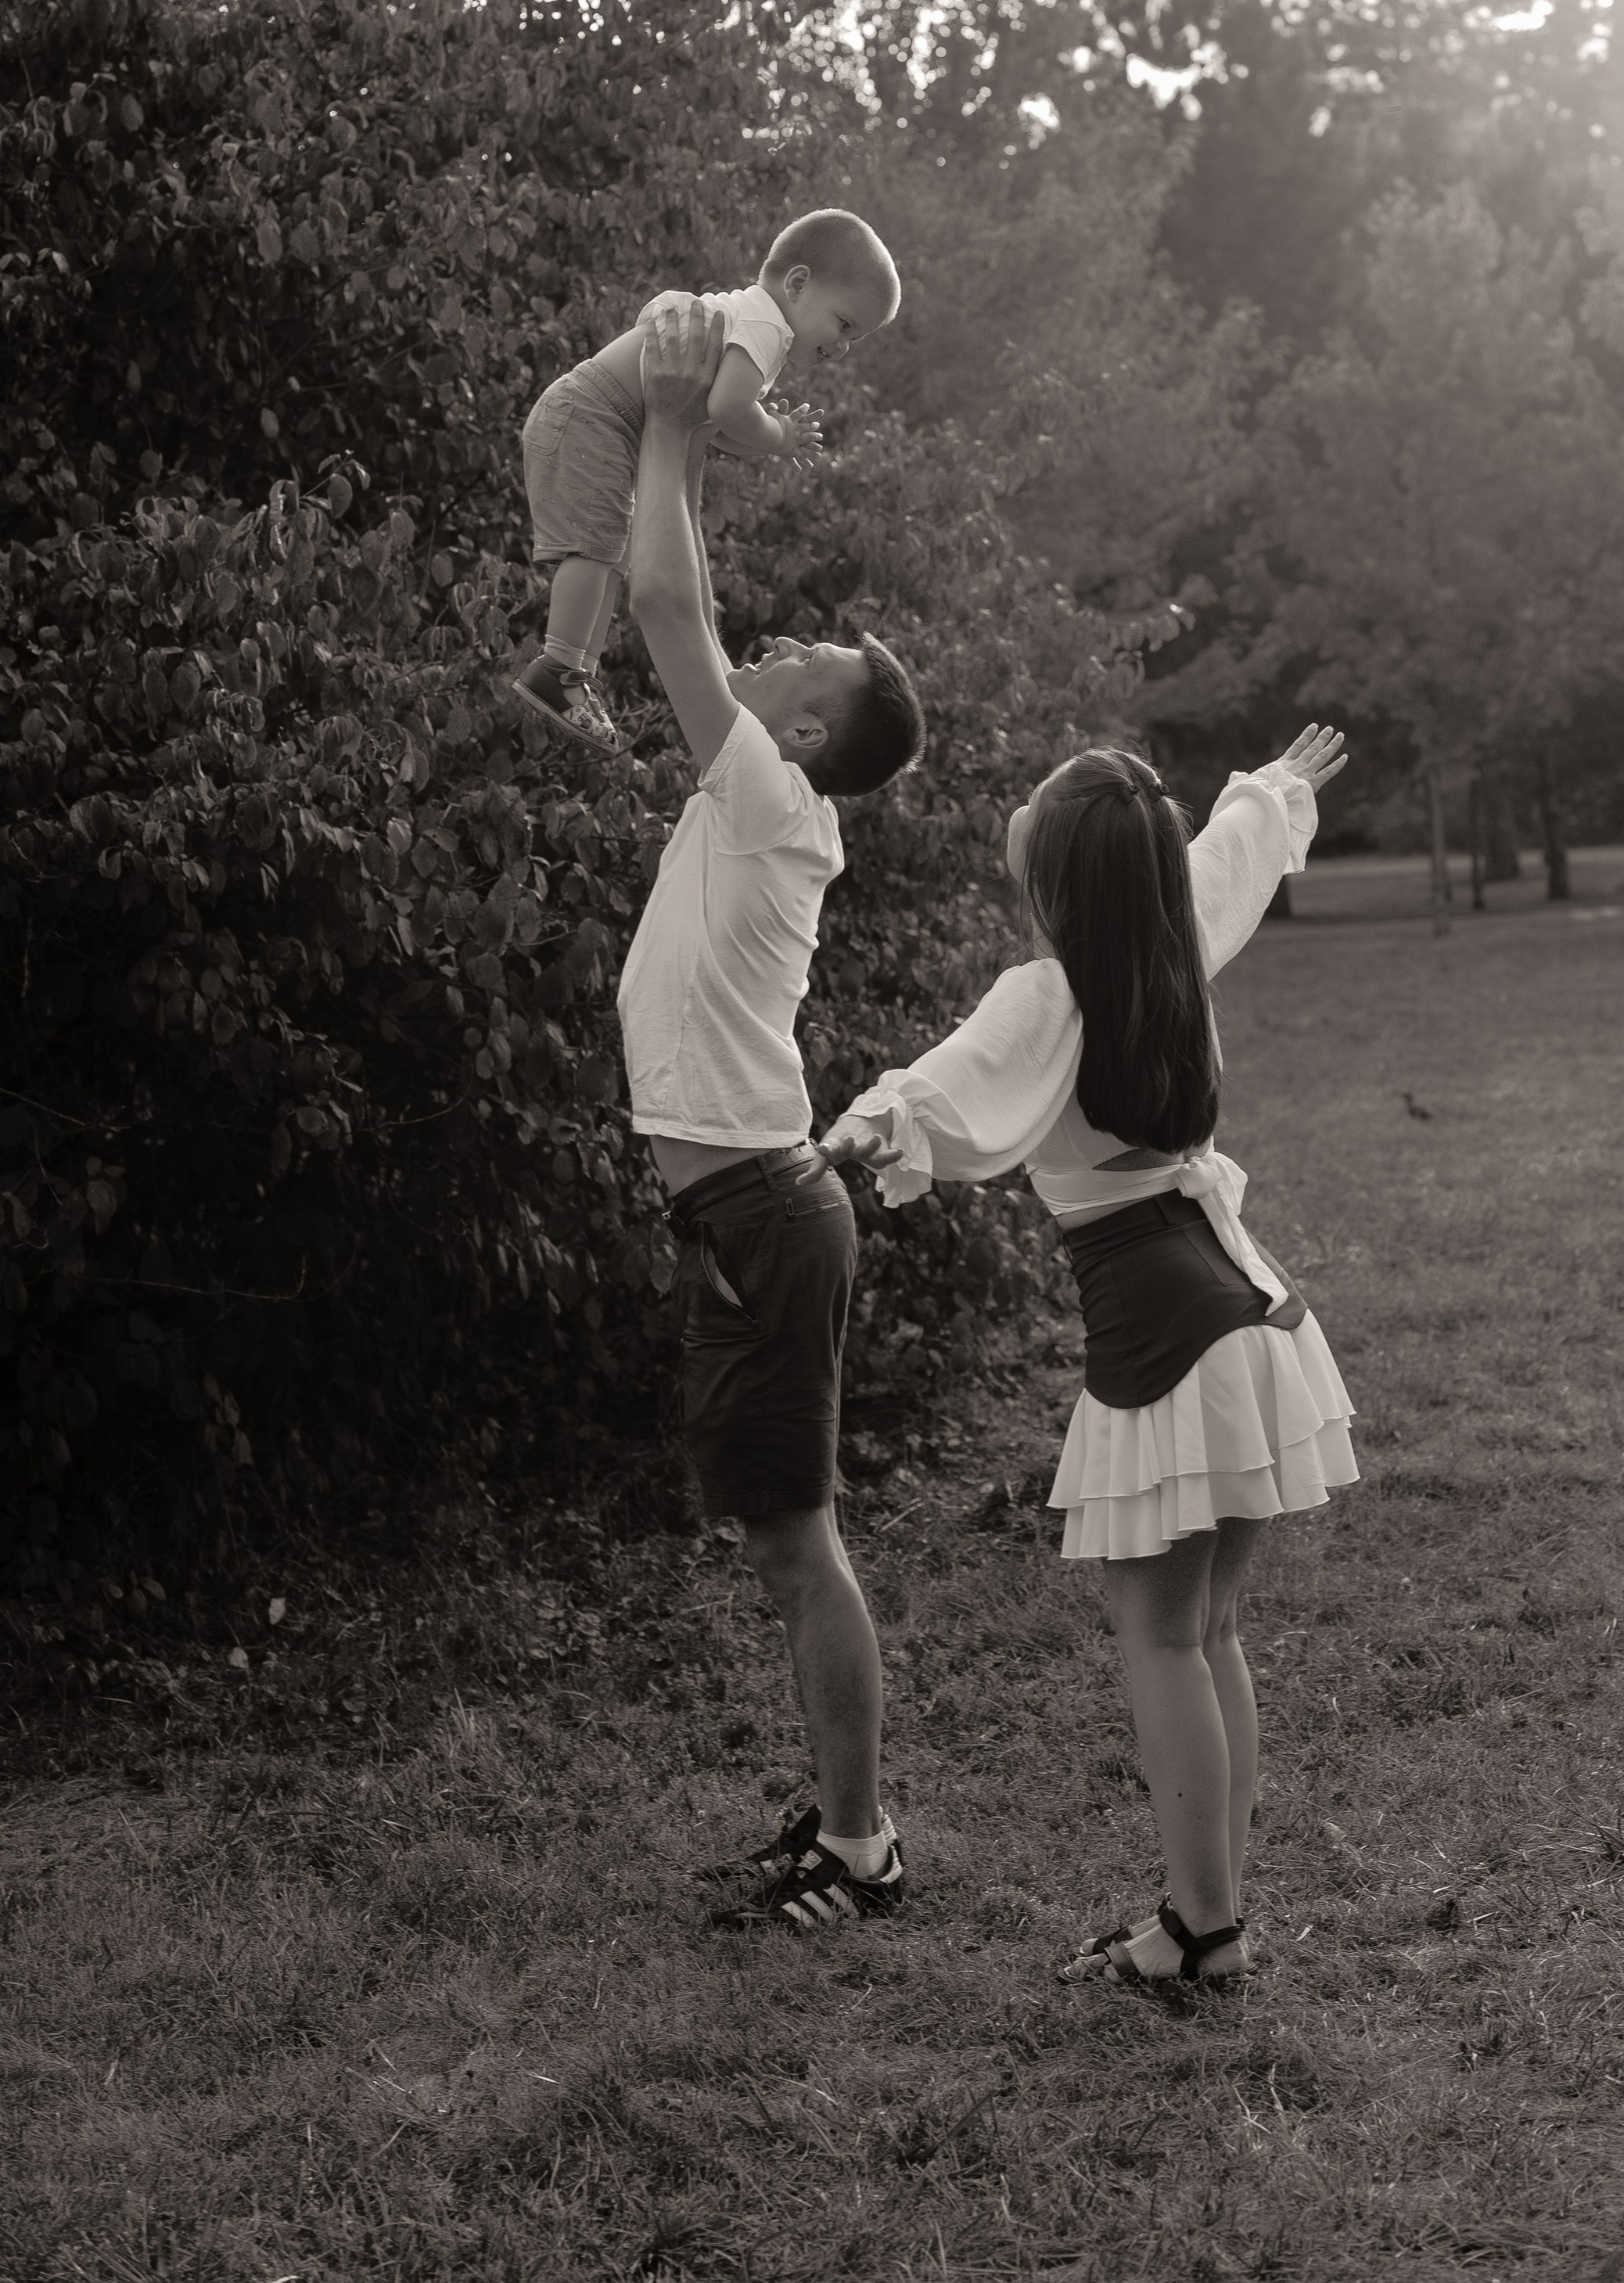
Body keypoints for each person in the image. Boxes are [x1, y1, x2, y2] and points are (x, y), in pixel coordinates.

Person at [821, 731, 1356, 1988]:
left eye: (1035, 805)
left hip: (1174, 1337)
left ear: (1057, 872)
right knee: (1207, 1630)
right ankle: (1210, 1920)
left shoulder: (1049, 992)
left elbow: (948, 1084)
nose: (1018, 810)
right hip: (1251, 1314)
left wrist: (854, 1132)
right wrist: (1272, 797)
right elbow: (1218, 867)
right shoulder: (1170, 953)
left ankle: (1201, 1930)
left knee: (1163, 1636)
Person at [616, 297, 925, 1936]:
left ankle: (861, 1852)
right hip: (747, 1207)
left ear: (801, 729)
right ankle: (844, 1820)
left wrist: (674, 415)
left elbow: (671, 600)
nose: (777, 637)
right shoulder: (768, 791)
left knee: (798, 1545)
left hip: (755, 1210)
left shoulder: (768, 789)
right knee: (783, 1540)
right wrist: (675, 439)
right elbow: (688, 598)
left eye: (801, 656)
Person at [514, 208, 901, 755]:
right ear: (797, 284)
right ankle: (558, 666)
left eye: (854, 338)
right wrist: (778, 435)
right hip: (594, 415)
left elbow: (714, 428)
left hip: (597, 419)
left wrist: (767, 437)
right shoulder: (767, 328)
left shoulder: (756, 328)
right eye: (843, 325)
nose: (842, 347)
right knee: (596, 552)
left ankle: (579, 673)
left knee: (612, 556)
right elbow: (727, 408)